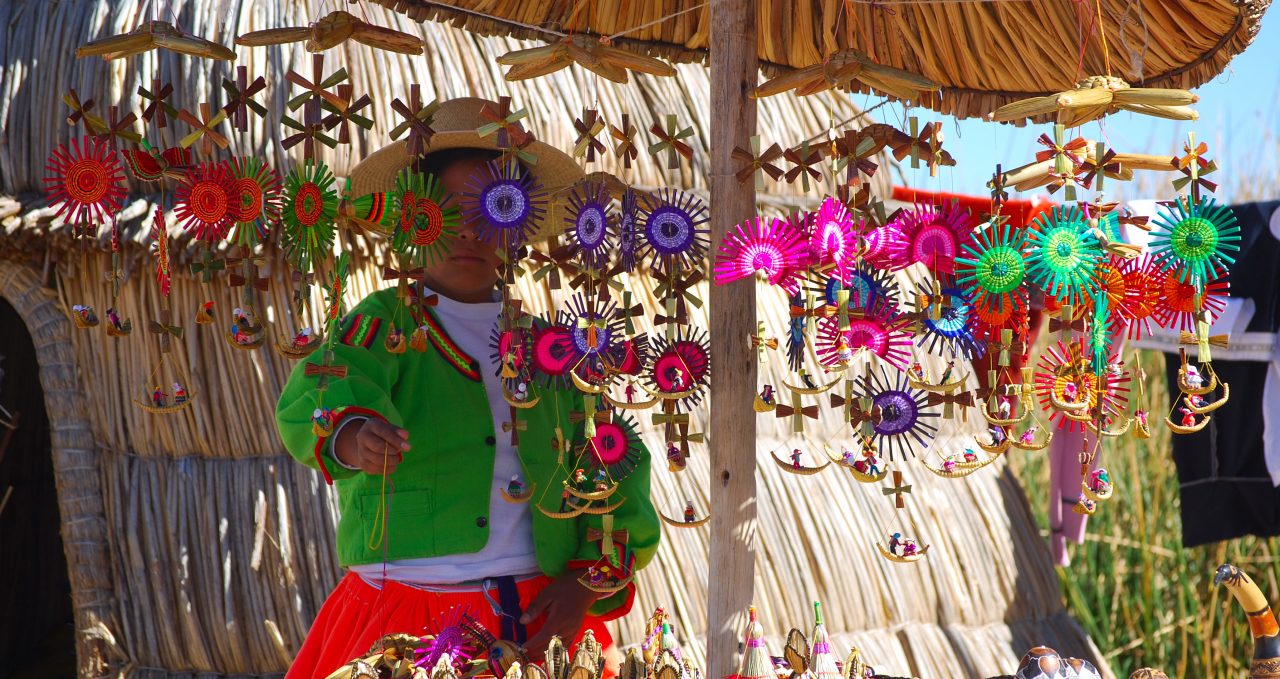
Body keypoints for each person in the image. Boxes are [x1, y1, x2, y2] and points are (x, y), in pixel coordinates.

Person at [275, 99, 658, 679]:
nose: (468, 233)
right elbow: (323, 387)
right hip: (403, 622)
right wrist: (352, 434)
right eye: (446, 209)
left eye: (491, 210)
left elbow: (612, 461)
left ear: (518, 224)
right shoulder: (381, 326)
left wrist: (583, 584)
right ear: (414, 219)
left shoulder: (554, 352)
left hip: (538, 622)